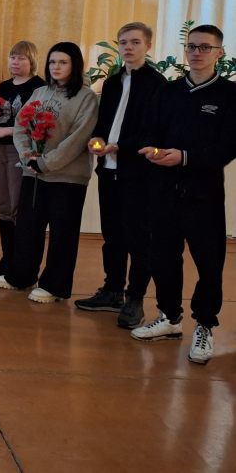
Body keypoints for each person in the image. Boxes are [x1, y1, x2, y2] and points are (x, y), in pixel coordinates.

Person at [131, 25, 236, 365]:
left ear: (219, 52)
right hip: (163, 190)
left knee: (209, 262)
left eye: (205, 47)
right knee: (162, 255)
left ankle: (204, 325)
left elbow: (228, 146)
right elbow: (147, 131)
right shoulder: (168, 91)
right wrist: (153, 150)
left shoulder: (230, 95)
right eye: (192, 46)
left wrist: (186, 157)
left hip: (203, 195)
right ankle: (170, 317)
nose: (196, 52)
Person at [76, 22, 166, 329]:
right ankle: (112, 289)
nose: (128, 47)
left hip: (138, 172)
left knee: (138, 237)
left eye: (135, 42)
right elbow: (104, 122)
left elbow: (153, 131)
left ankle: (134, 297)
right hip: (108, 169)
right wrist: (97, 139)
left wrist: (120, 146)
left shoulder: (157, 84)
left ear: (148, 46)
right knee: (112, 234)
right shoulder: (113, 82)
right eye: (123, 42)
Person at [0, 42, 97, 303]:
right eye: (52, 62)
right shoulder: (39, 92)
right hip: (34, 173)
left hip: (67, 176)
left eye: (63, 62)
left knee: (63, 233)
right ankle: (22, 275)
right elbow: (21, 126)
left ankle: (54, 285)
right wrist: (27, 156)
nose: (56, 67)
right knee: (28, 227)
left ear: (74, 65)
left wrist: (46, 162)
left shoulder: (86, 97)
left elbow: (78, 138)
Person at [0, 41, 45, 279]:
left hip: (21, 152)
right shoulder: (4, 86)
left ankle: (21, 261)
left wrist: (5, 131)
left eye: (21, 58)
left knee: (18, 206)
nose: (15, 62)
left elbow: (37, 125)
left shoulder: (39, 87)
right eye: (12, 57)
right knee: (4, 206)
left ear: (32, 61)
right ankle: (7, 258)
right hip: (0, 151)